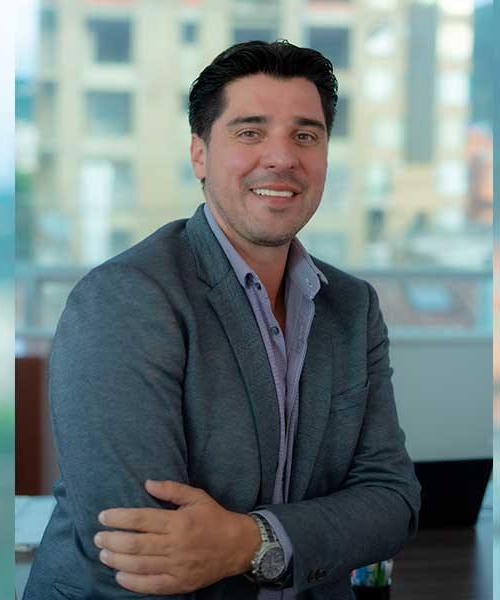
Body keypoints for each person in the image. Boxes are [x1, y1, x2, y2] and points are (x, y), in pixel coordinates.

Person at [23, 40, 420, 600]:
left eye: (306, 136)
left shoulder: (353, 307)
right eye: (250, 132)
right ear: (200, 155)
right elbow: (141, 557)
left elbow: (393, 501)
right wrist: (305, 535)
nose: (282, 158)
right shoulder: (125, 299)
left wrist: (247, 543)